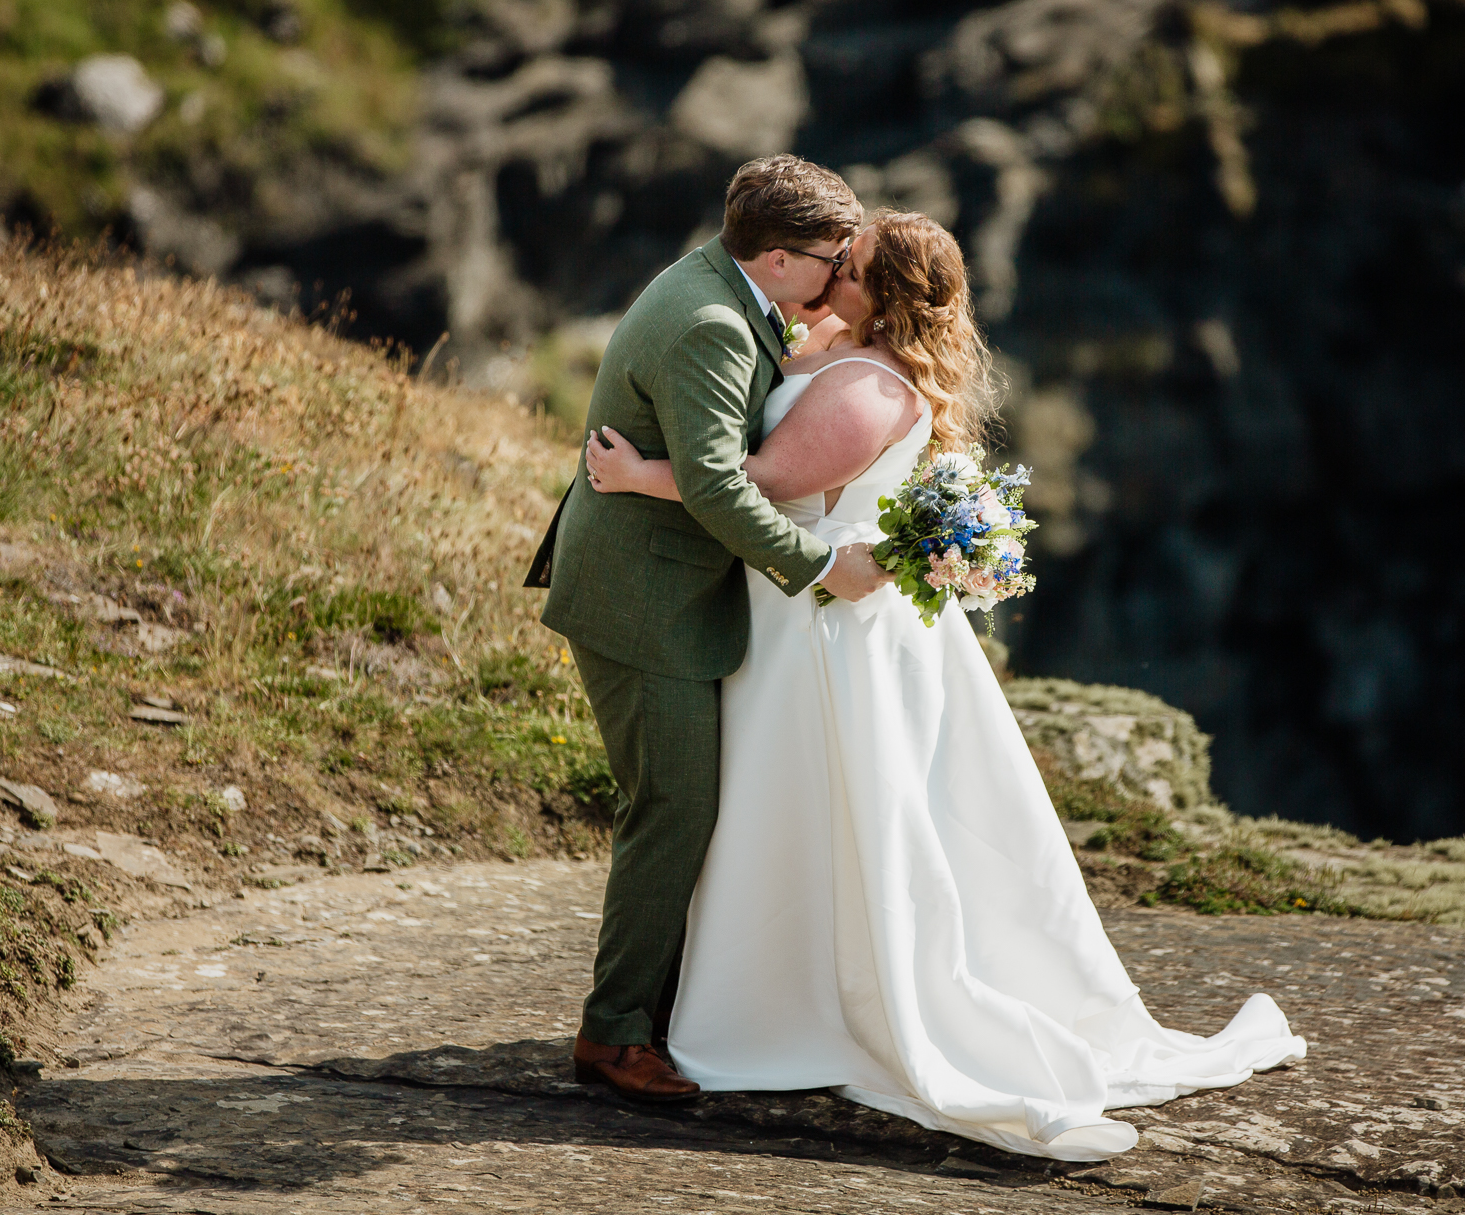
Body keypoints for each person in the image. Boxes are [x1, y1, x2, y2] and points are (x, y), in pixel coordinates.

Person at [583, 209, 1306, 1161]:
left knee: (815, 808)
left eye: (855, 263)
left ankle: (788, 1005)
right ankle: (743, 988)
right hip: (790, 605)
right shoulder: (838, 344)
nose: (837, 266)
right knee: (785, 811)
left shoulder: (869, 390)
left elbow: (753, 481)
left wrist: (640, 477)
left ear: (880, 297)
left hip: (819, 619)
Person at [532, 155, 892, 1104]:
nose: (842, 271)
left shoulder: (715, 281)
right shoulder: (706, 326)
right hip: (644, 602)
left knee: (684, 804)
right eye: (832, 257)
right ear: (776, 258)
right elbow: (716, 484)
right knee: (674, 809)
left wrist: (805, 343)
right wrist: (822, 567)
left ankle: (658, 1010)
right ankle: (613, 1037)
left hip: (652, 584)